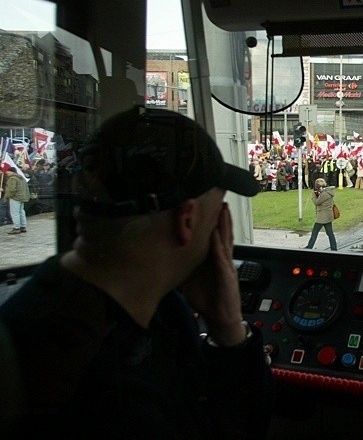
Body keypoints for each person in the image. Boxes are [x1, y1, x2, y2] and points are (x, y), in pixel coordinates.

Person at [0, 107, 273, 438]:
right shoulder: (115, 403)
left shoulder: (50, 305)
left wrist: (224, 323)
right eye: (219, 214)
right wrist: (231, 332)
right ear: (187, 221)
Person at [305, 178, 337, 251]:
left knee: (314, 233)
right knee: (330, 233)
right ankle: (334, 248)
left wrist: (313, 195)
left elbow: (317, 202)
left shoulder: (325, 193)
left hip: (323, 216)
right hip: (327, 216)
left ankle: (309, 247)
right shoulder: (327, 192)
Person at [2, 164, 30, 234]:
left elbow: (11, 189)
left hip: (15, 197)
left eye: (8, 172)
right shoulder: (21, 178)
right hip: (22, 197)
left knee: (15, 213)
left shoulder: (12, 179)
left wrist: (7, 196)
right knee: (21, 212)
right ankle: (23, 226)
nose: (6, 173)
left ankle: (16, 227)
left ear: (11, 172)